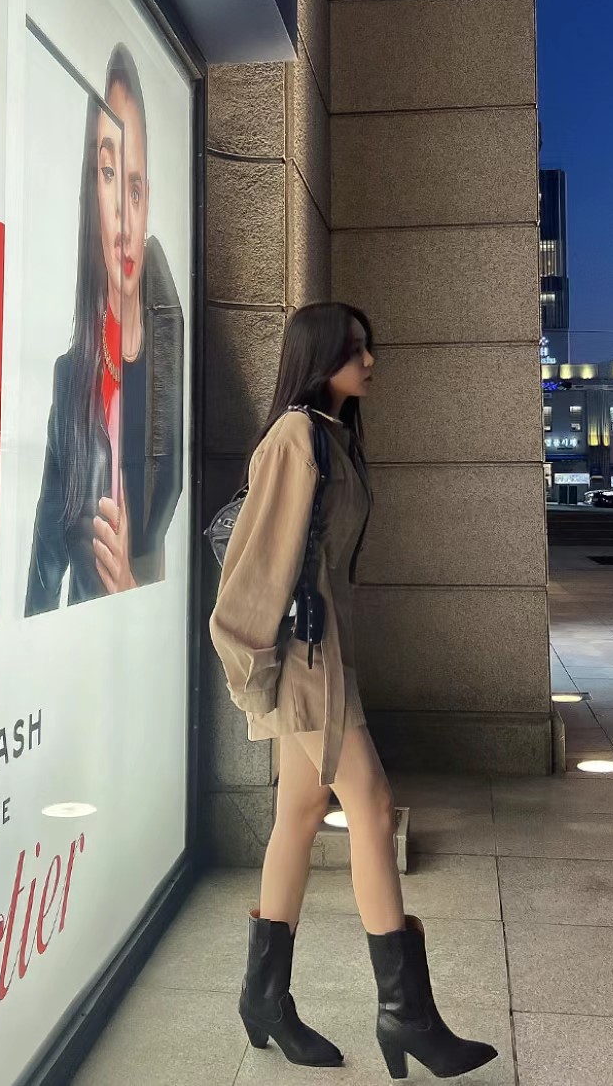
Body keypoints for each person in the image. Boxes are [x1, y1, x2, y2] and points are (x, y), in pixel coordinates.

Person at [209, 303, 497, 1080]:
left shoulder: (331, 436)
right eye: (356, 349)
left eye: (369, 347)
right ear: (320, 356)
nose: (370, 360)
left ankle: (263, 998)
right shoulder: (295, 437)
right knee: (370, 803)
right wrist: (251, 667)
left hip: (328, 654)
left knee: (300, 815)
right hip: (305, 657)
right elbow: (260, 565)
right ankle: (406, 1015)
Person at [26, 44, 183, 616]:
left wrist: (136, 594)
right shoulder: (71, 379)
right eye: (108, 173)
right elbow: (45, 564)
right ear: (90, 190)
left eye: (134, 186)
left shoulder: (168, 362)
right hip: (79, 649)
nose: (123, 213)